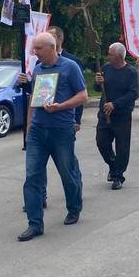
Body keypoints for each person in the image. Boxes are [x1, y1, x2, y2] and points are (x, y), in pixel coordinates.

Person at [16, 32, 87, 242]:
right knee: (32, 176)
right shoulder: (38, 69)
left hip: (61, 130)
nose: (34, 52)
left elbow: (82, 96)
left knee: (67, 171)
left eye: (38, 49)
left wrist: (61, 107)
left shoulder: (70, 67)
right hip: (38, 130)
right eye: (34, 48)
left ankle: (74, 207)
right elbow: (34, 100)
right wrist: (29, 128)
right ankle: (35, 224)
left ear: (51, 48)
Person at [94, 43, 139, 190]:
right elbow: (97, 88)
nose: (108, 56)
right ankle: (113, 165)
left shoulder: (130, 71)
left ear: (119, 56)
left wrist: (115, 104)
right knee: (101, 142)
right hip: (104, 114)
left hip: (121, 115)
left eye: (111, 54)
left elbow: (133, 93)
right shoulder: (106, 68)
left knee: (122, 147)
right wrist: (97, 82)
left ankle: (118, 176)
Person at [48, 26, 84, 133]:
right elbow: (35, 92)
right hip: (45, 119)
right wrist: (25, 82)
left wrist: (77, 119)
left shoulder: (72, 62)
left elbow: (80, 91)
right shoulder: (40, 63)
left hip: (65, 117)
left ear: (60, 39)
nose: (48, 39)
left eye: (51, 36)